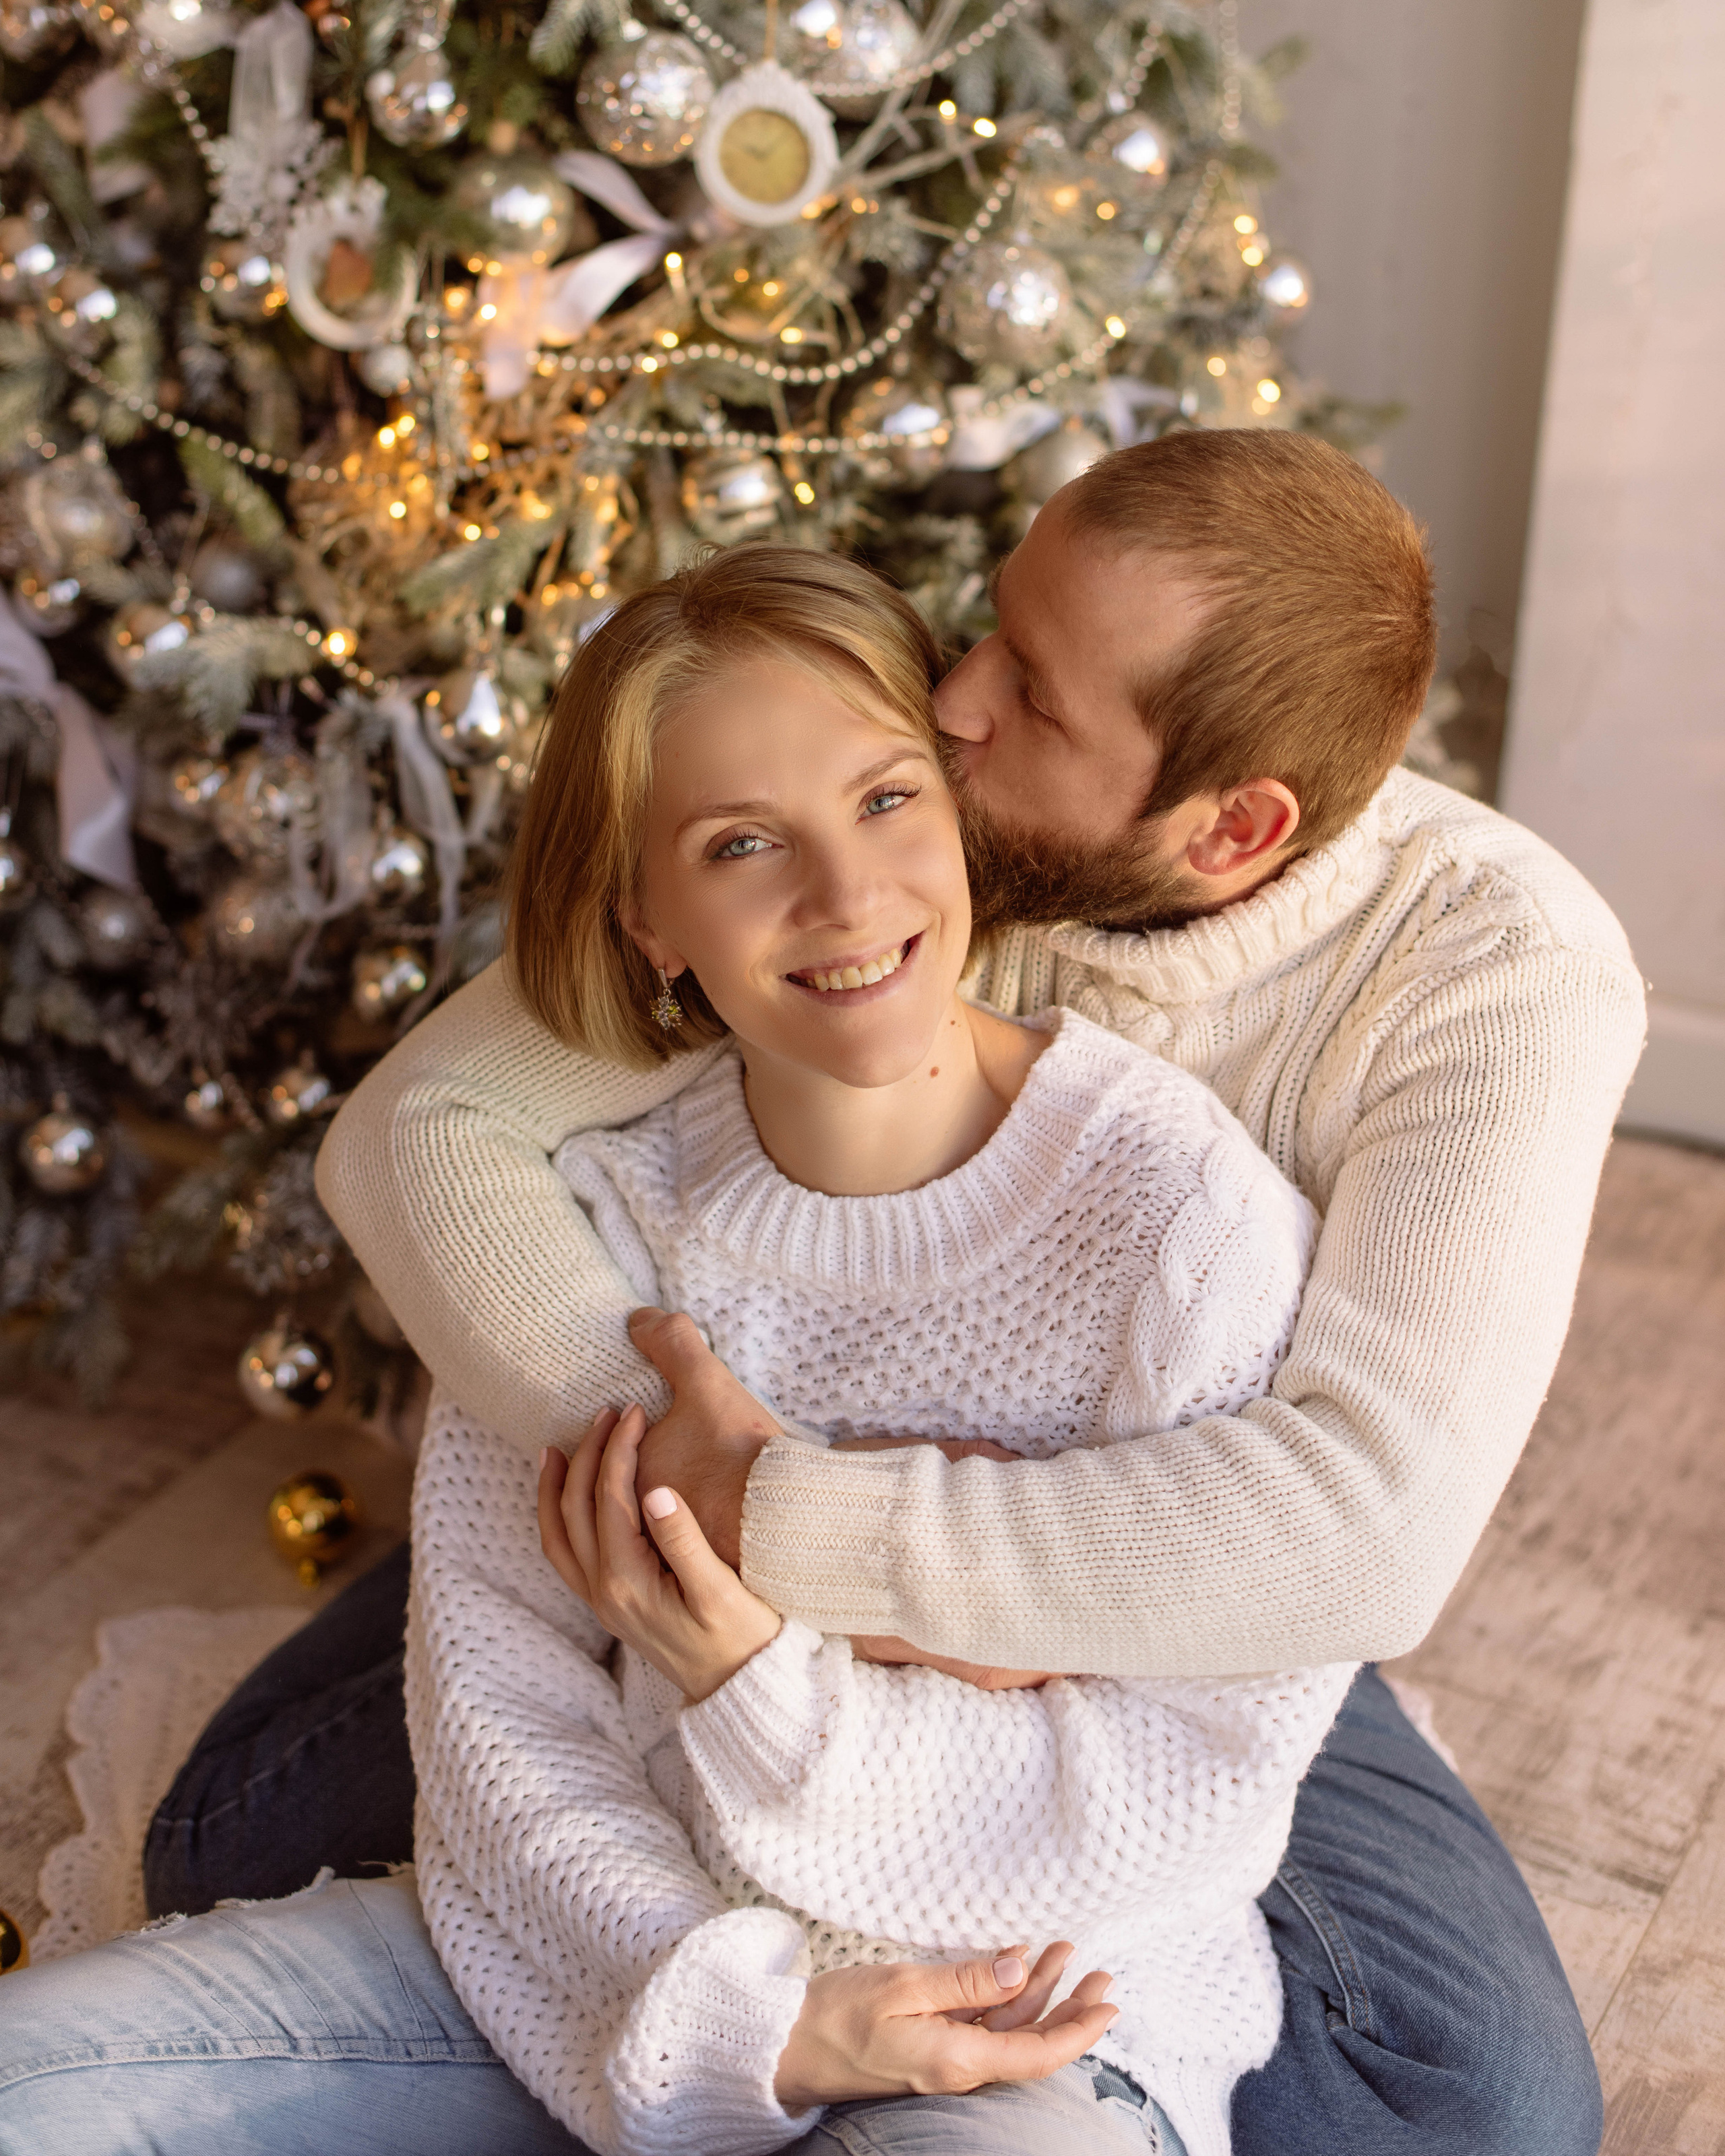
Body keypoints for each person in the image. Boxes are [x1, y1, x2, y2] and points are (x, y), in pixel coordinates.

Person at [150, 429, 1640, 2152]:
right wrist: (671, 1487)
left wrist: (795, 1535)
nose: (947, 702)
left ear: (1228, 829)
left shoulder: (1493, 965)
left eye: (1032, 692)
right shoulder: (898, 841)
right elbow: (421, 1129)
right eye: (989, 625)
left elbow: (1366, 1530)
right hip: (734, 1416)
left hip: (1152, 1571)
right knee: (226, 1840)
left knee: (1478, 2102)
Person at [5, 545, 1352, 2156]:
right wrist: (749, 2020)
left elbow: (1185, 1789)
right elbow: (503, 1721)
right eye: (738, 844)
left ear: (963, 809)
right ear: (647, 915)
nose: (845, 898)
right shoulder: (588, 1225)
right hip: (600, 1972)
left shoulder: (1184, 1214)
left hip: (1024, 2029)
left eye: (882, 801)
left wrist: (748, 1683)